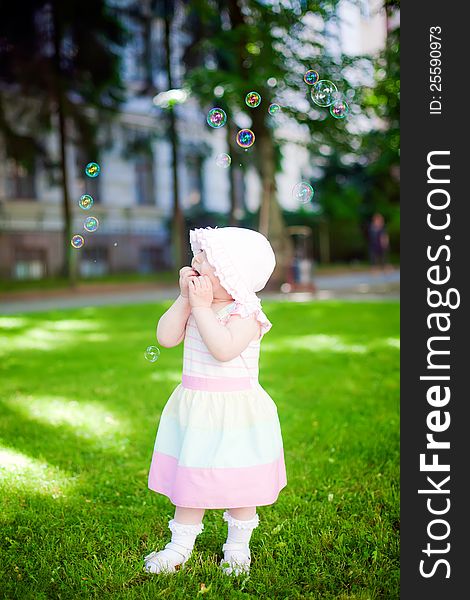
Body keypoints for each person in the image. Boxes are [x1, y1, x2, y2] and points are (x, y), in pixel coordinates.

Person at [144, 226, 287, 577]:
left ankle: (237, 547)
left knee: (241, 483)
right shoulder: (196, 306)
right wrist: (184, 300)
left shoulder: (246, 313)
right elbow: (164, 338)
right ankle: (179, 545)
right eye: (198, 255)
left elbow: (223, 349)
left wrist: (202, 308)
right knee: (190, 480)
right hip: (197, 408)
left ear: (231, 276)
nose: (196, 261)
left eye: (207, 260)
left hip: (237, 410)